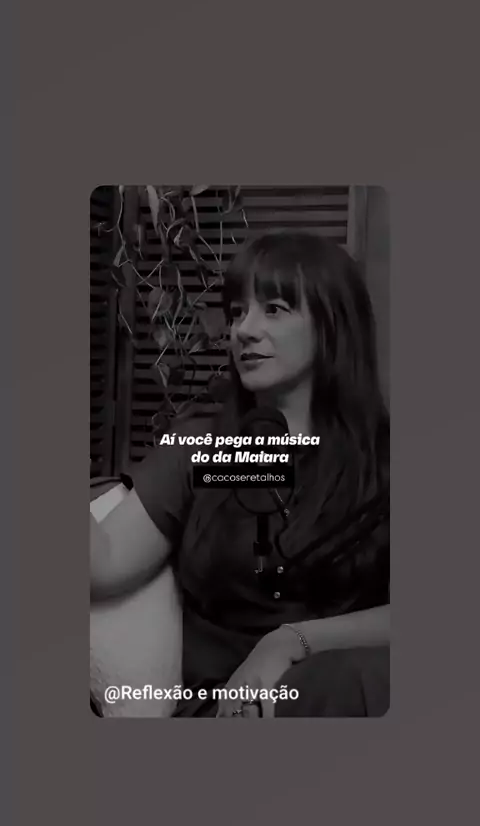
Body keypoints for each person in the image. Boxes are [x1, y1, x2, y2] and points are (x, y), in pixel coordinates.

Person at [90, 230, 390, 718]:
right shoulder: (203, 445)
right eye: (236, 313)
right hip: (230, 711)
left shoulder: (386, 457)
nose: (244, 330)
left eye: (274, 309)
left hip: (348, 688)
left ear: (333, 324)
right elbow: (102, 563)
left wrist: (291, 642)